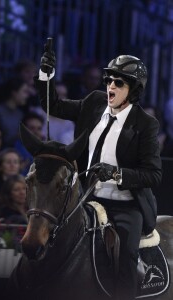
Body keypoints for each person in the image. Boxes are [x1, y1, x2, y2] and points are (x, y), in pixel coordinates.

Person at [37, 48, 162, 300]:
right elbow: (54, 105)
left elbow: (153, 175)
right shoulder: (94, 103)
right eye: (108, 80)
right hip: (86, 199)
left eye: (118, 82)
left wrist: (116, 174)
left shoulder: (146, 124)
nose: (110, 86)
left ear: (134, 89)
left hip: (125, 206)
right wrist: (45, 76)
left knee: (126, 256)